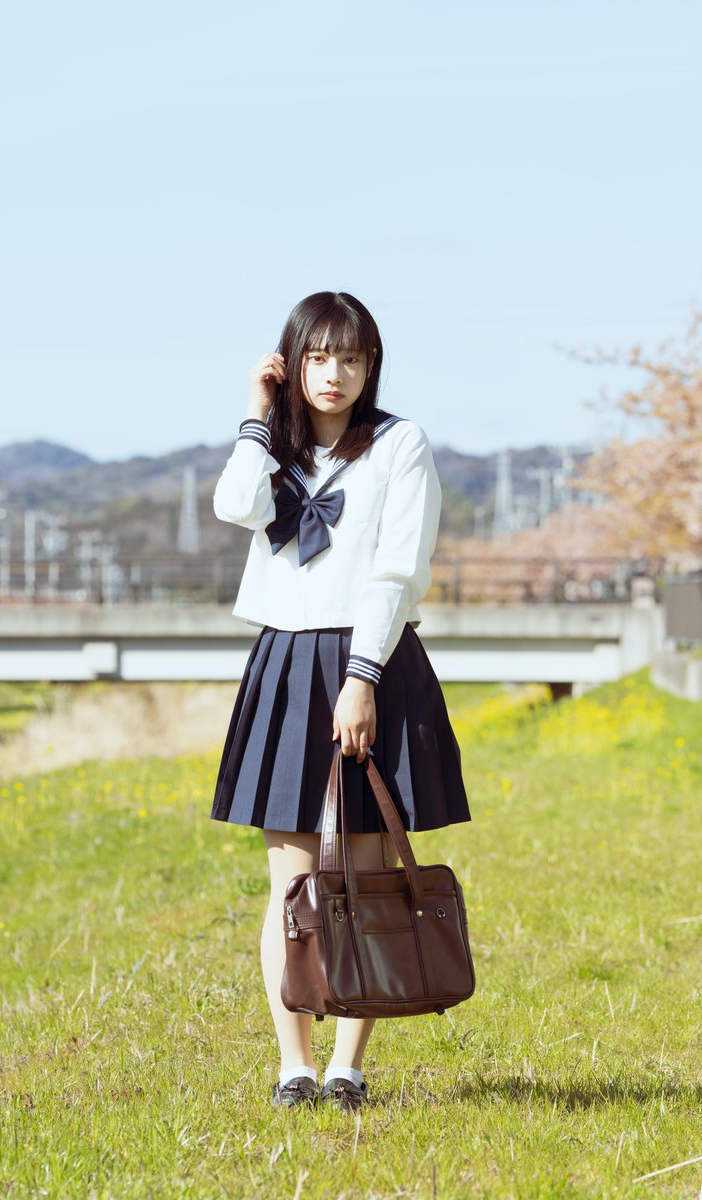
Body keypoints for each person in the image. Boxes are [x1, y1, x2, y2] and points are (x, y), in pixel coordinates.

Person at [211, 291, 470, 1112]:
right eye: (318, 357)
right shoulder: (274, 448)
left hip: (372, 660)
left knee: (360, 875)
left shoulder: (400, 445)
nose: (336, 374)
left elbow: (397, 571)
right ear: (292, 364)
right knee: (293, 885)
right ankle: (293, 1064)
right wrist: (258, 417)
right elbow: (236, 507)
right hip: (286, 664)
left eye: (352, 358)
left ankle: (347, 1068)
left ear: (372, 367)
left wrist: (361, 679)